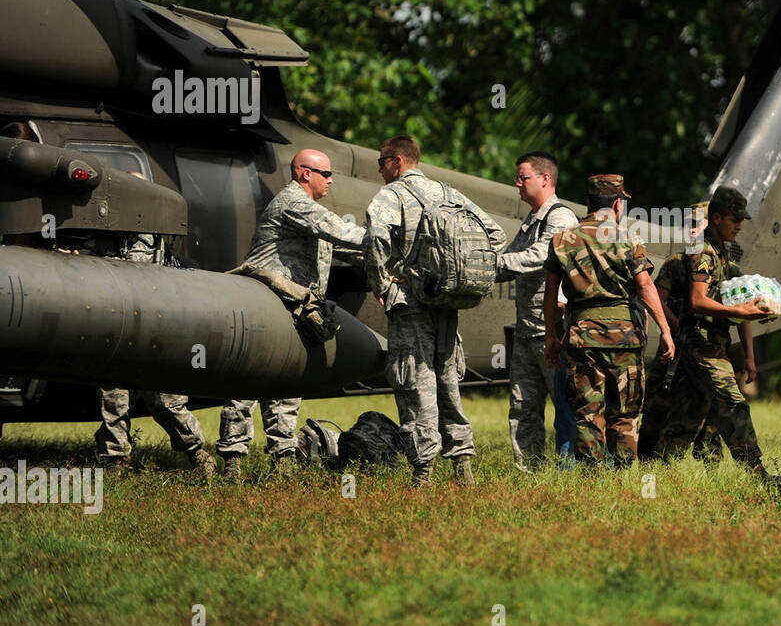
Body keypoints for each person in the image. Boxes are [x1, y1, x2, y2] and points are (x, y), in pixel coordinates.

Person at [217, 149, 366, 481]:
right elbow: (342, 231)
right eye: (325, 174)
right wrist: (387, 236)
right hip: (264, 306)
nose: (331, 180)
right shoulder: (294, 203)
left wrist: (386, 268)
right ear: (304, 174)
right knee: (247, 384)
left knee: (286, 387)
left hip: (293, 310)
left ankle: (283, 462)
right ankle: (232, 462)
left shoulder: (311, 212)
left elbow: (345, 246)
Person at [365, 135, 504, 486]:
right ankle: (463, 467)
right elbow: (495, 234)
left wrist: (382, 283)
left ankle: (422, 473)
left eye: (382, 162)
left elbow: (375, 237)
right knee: (447, 383)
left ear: (397, 161)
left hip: (410, 303)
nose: (380, 170)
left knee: (415, 383)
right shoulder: (447, 193)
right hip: (447, 303)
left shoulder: (392, 195)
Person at [542, 174, 674, 465]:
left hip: (581, 338)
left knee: (587, 414)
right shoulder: (629, 238)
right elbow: (645, 286)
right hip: (624, 339)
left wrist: (552, 335)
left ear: (589, 203)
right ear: (617, 205)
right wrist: (665, 329)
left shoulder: (562, 240)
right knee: (625, 414)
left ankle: (591, 480)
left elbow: (550, 292)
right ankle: (622, 478)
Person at [94, 225, 216, 479]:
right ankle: (115, 461)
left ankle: (197, 454)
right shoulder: (101, 229)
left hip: (154, 325)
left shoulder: (154, 230)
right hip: (116, 323)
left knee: (166, 399)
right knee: (114, 396)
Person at [668, 186, 773, 475]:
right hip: (698, 344)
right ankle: (758, 473)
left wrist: (749, 356)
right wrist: (738, 312)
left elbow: (741, 307)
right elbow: (697, 301)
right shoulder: (703, 252)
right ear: (715, 218)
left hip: (715, 344)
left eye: (741, 220)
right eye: (734, 219)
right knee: (733, 403)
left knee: (687, 412)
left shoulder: (724, 254)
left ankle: (659, 465)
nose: (740, 226)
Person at [495, 150, 580, 472]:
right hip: (526, 332)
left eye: (523, 177)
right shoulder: (531, 221)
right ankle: (529, 473)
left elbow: (536, 256)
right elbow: (508, 261)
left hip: (552, 333)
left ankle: (567, 473)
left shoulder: (560, 219)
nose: (517, 183)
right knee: (523, 407)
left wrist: (491, 263)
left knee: (565, 407)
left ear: (545, 179)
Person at [640, 201, 727, 462]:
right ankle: (650, 459)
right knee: (658, 401)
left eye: (696, 223)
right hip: (674, 346)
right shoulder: (676, 262)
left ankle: (710, 462)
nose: (690, 230)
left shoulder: (719, 261)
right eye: (686, 224)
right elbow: (657, 298)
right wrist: (674, 326)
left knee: (708, 405)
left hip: (705, 346)